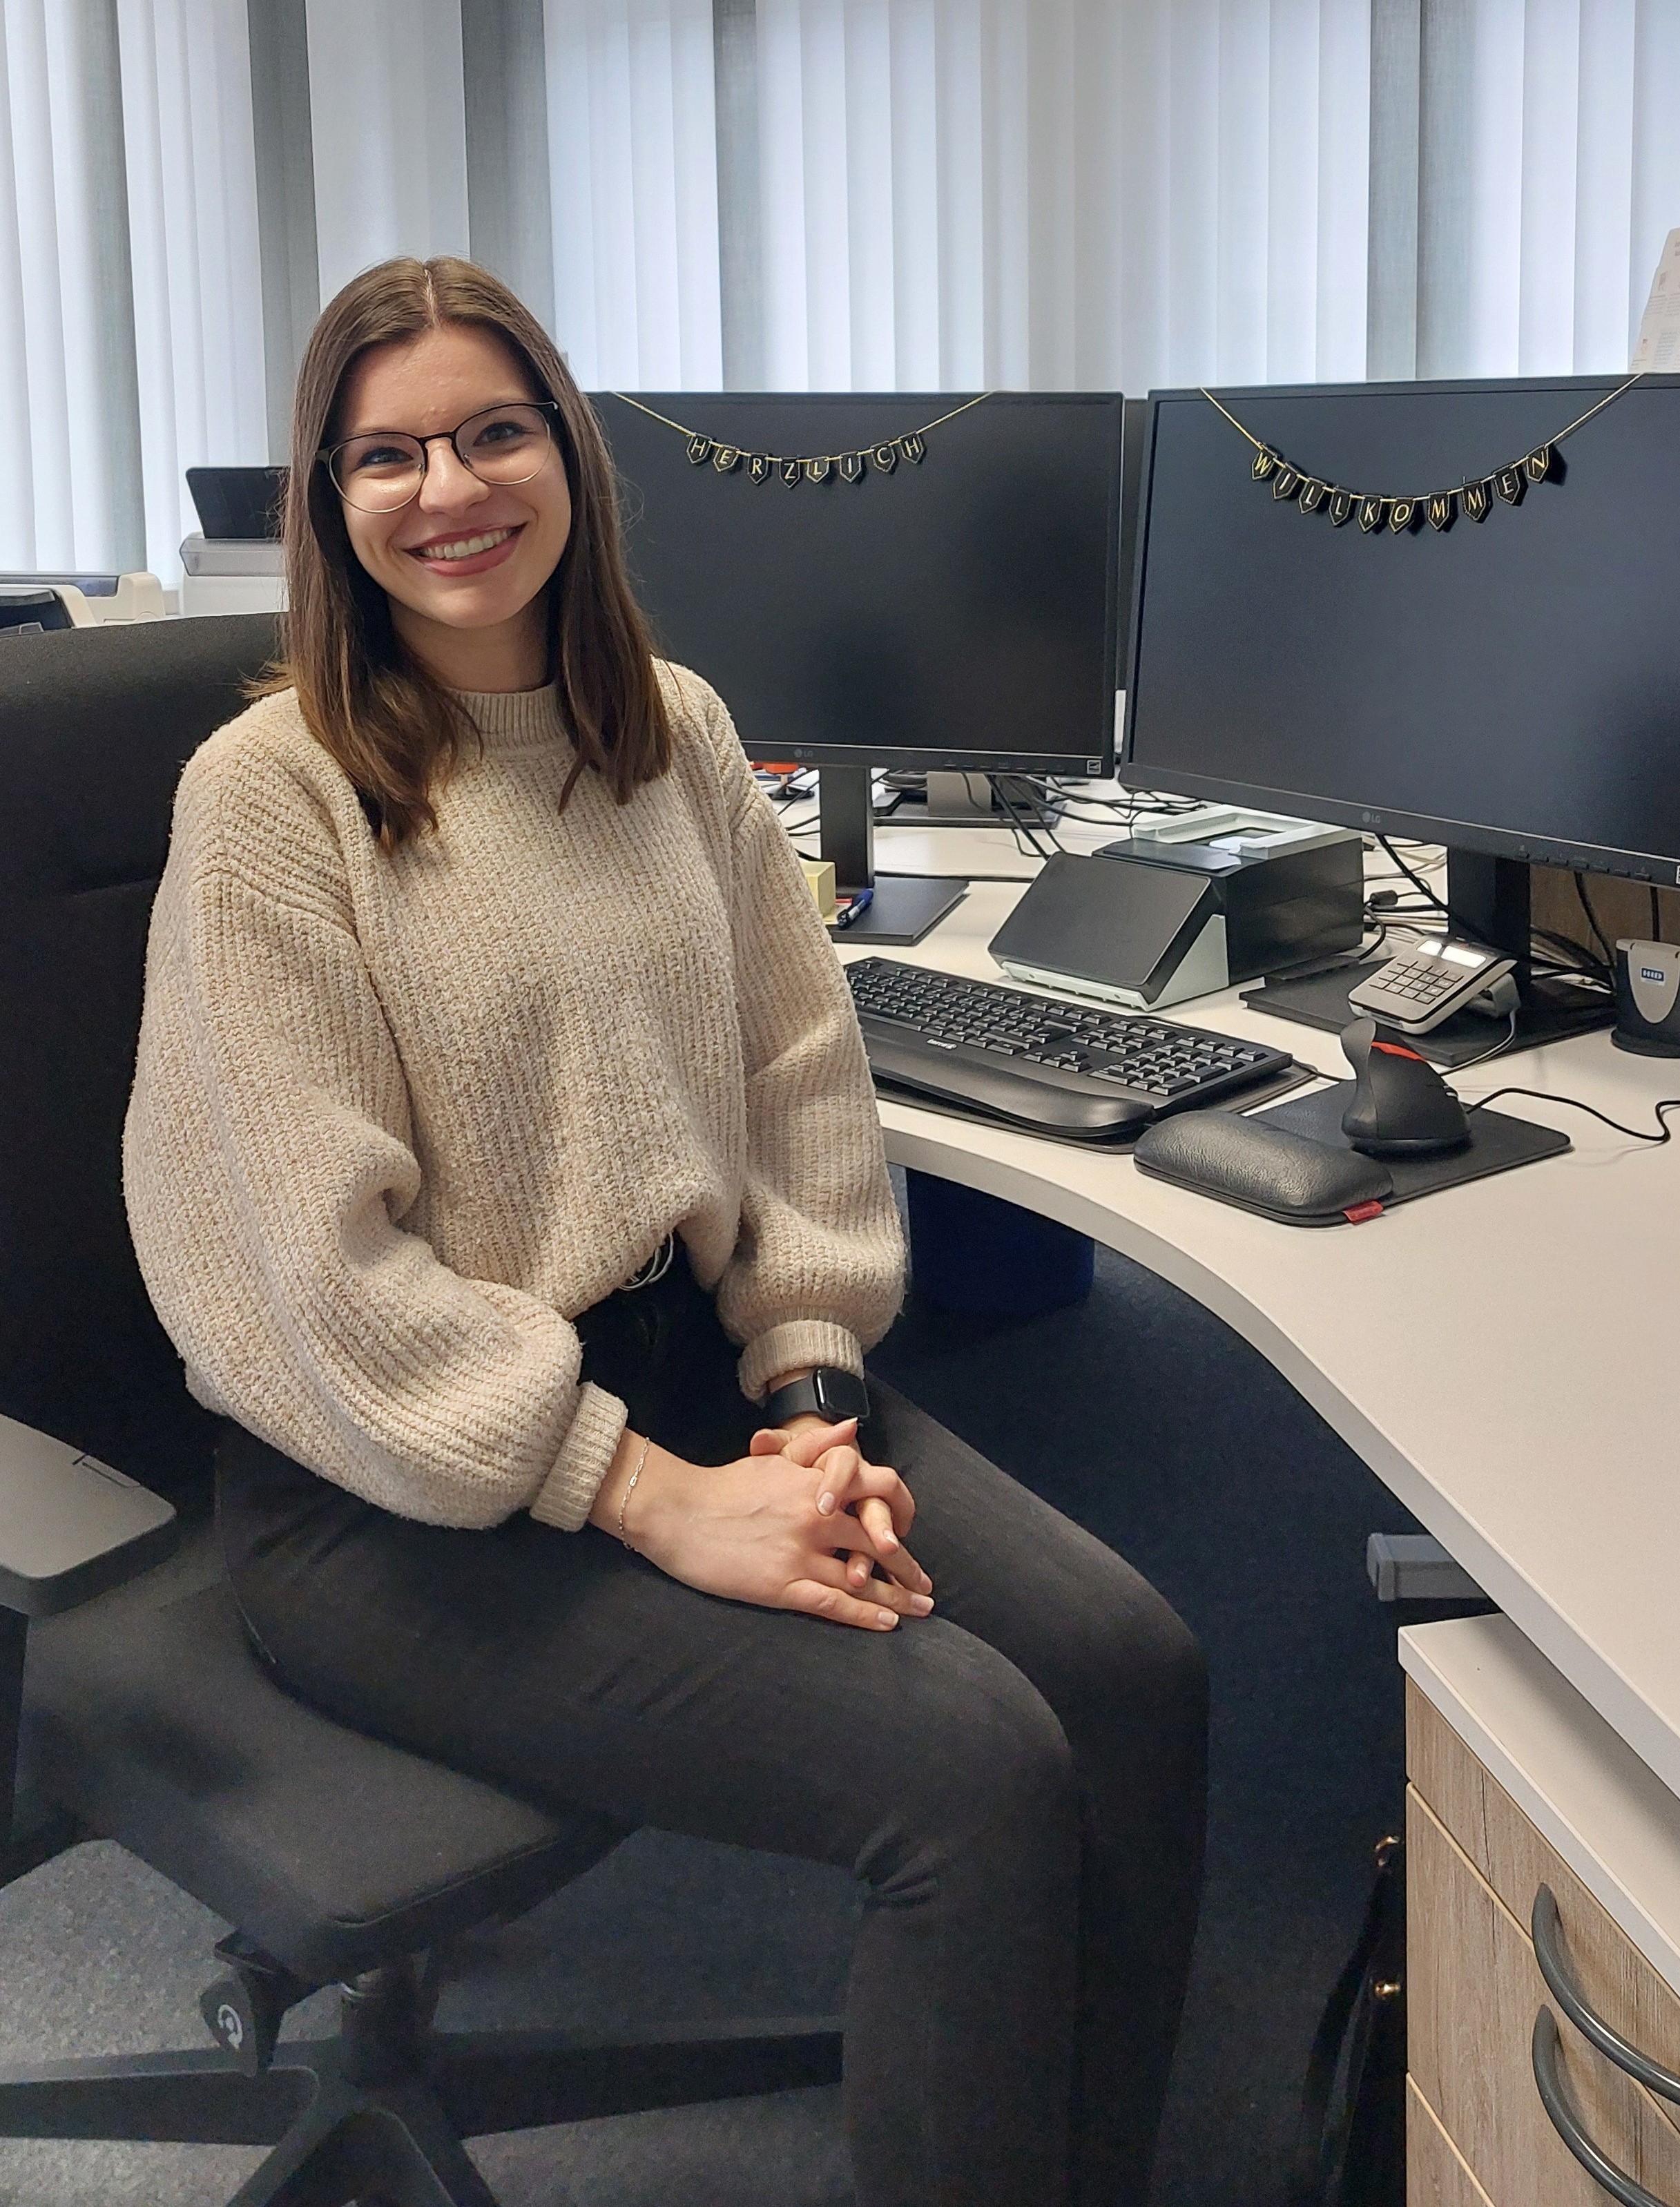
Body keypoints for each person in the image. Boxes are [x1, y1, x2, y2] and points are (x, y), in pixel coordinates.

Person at [123, 256, 1206, 2207]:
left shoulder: (674, 733)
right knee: (968, 1771)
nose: (450, 489)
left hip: (697, 1378)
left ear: (571, 452)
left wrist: (808, 1396)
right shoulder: (271, 797)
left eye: (493, 431)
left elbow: (797, 1080)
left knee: (1130, 1671)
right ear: (327, 501)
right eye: (386, 456)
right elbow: (308, 1271)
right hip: (392, 1486)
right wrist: (648, 1496)